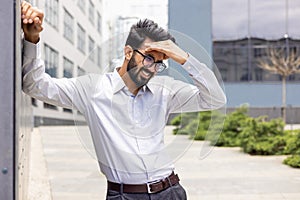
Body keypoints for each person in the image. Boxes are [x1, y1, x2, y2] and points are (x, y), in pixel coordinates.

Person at [21, 1, 226, 199]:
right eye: (147, 58)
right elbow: (35, 85)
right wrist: (32, 39)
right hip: (125, 195)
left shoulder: (165, 91)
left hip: (170, 191)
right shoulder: (92, 89)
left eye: (159, 63)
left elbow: (215, 99)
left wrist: (185, 58)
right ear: (128, 52)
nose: (152, 68)